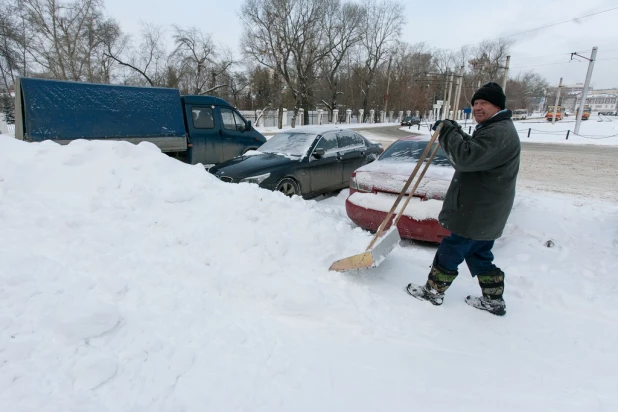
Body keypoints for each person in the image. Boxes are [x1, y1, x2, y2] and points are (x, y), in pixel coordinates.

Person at [406, 82, 521, 316]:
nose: (478, 107)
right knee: (479, 254)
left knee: (452, 248)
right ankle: (493, 299)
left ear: (497, 105)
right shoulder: (496, 128)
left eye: (484, 103)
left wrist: (448, 133)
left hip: (477, 210)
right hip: (486, 210)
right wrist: (456, 130)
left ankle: (433, 291)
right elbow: (475, 148)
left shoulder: (499, 132)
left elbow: (466, 157)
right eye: (475, 103)